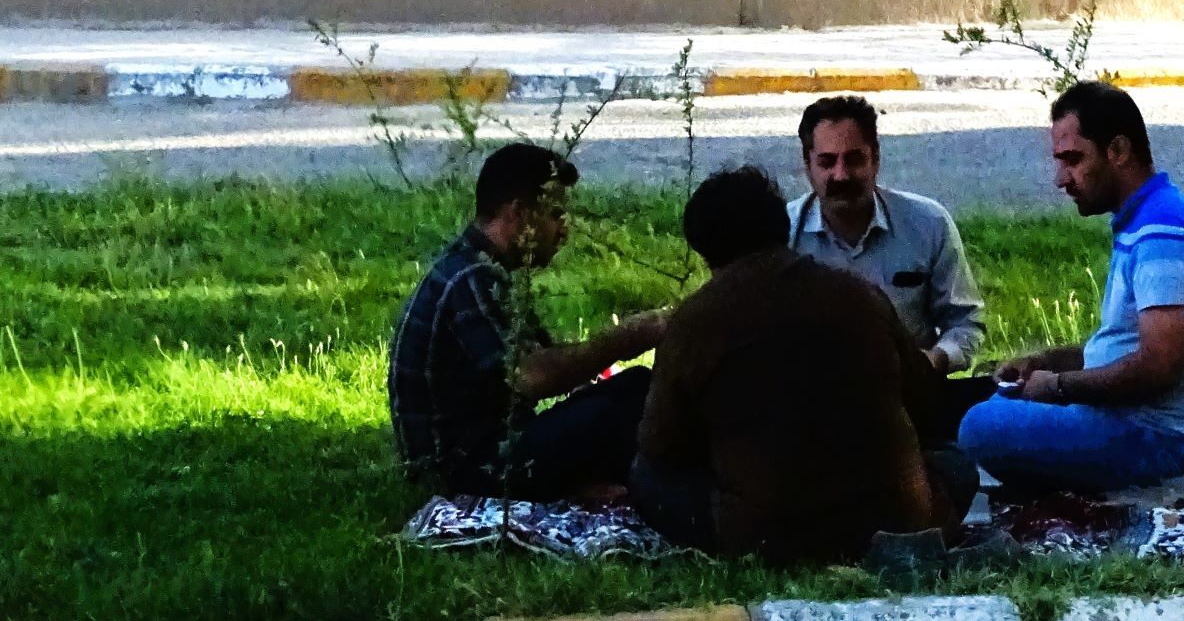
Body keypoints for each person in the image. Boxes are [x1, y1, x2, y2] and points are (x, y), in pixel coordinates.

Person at [631, 167, 978, 565]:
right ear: (781, 228)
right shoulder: (858, 295)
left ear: (704, 248)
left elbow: (661, 446)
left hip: (765, 538)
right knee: (956, 464)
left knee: (646, 476)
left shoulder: (694, 322)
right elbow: (923, 401)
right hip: (896, 523)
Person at [958, 81, 1184, 493]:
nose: (1060, 179)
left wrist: (1060, 387)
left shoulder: (1162, 232)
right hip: (1138, 421)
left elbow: (1161, 365)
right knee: (989, 403)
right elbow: (1124, 346)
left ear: (1118, 152)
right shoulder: (1145, 218)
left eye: (1072, 160)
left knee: (979, 426)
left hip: (1164, 437)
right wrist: (1045, 362)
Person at [388, 143, 666, 500]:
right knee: (622, 409)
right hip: (465, 470)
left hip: (490, 447)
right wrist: (633, 336)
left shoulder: (483, 271)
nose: (562, 231)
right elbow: (533, 377)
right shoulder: (471, 278)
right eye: (555, 215)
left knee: (635, 388)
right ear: (520, 213)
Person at [788, 95, 991, 430]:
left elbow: (966, 322)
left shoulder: (928, 223)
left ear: (876, 159)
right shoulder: (783, 233)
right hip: (810, 411)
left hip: (907, 404)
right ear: (806, 164)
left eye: (854, 160)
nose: (841, 175)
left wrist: (931, 363)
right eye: (827, 162)